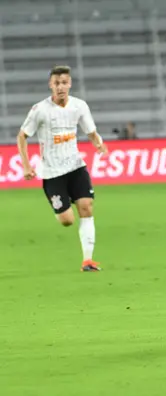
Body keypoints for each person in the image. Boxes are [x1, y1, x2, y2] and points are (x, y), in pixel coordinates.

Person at [16, 65, 108, 272]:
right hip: (53, 173)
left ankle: (88, 261)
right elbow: (22, 136)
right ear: (51, 85)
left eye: (64, 82)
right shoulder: (40, 110)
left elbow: (90, 131)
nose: (61, 87)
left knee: (87, 206)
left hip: (76, 166)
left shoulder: (79, 106)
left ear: (70, 84)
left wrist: (99, 143)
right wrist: (26, 165)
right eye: (56, 83)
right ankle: (61, 206)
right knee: (67, 220)